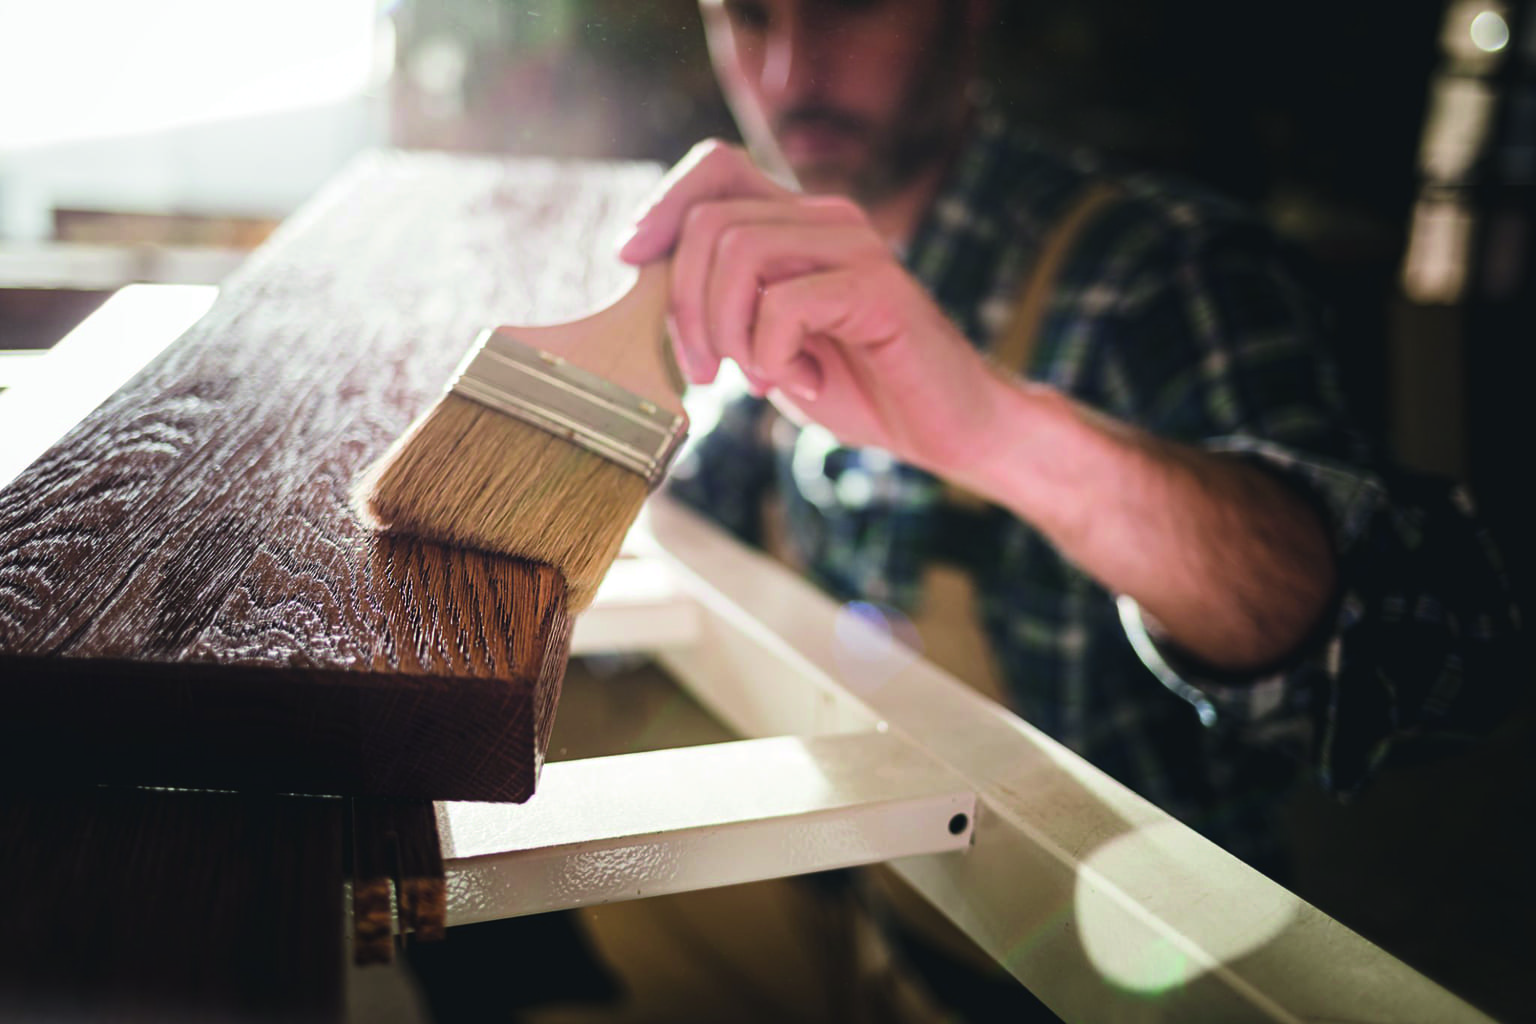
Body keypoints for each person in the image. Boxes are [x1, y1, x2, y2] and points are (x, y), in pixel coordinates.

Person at [614, 0, 1522, 872]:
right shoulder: (769, 269)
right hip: (864, 921)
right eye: (749, 13)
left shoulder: (1159, 272)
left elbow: (1442, 653)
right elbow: (698, 514)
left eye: (853, 2)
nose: (789, 71)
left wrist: (1002, 432)